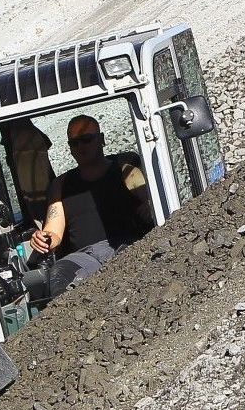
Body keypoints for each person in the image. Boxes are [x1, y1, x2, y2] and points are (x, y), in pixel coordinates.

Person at [29, 115, 156, 295]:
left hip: (127, 247)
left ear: (101, 139)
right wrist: (42, 239)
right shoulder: (60, 185)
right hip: (85, 258)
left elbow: (152, 205)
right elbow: (53, 233)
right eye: (74, 143)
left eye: (86, 139)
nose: (81, 146)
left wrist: (148, 208)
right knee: (60, 273)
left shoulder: (126, 172)